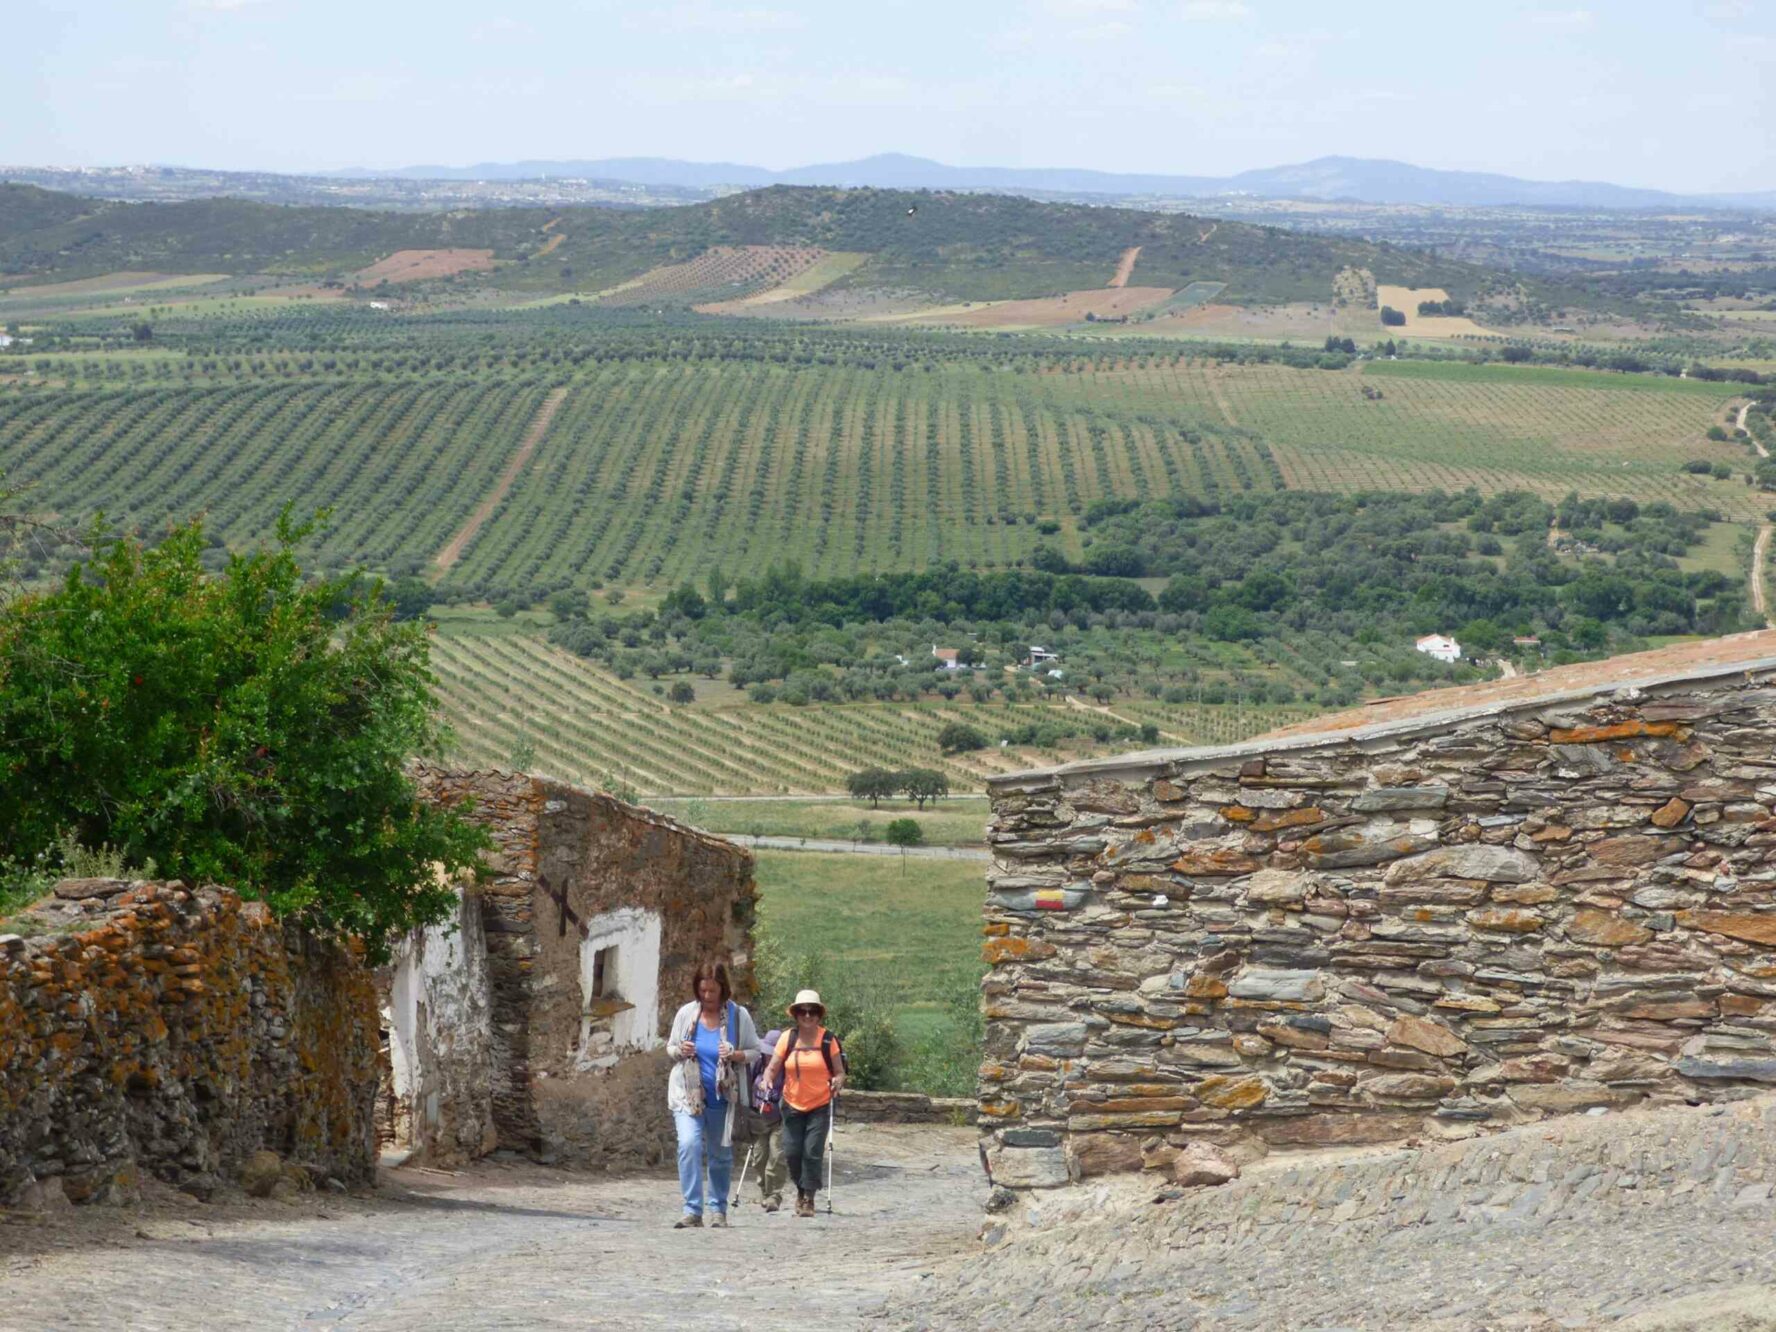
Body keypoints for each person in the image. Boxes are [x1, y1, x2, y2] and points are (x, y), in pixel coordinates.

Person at [666, 959, 759, 1229]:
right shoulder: (687, 1014)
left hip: (723, 1098)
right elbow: (670, 1048)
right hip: (688, 1095)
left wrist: (735, 1054)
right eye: (703, 990)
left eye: (713, 991)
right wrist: (680, 1050)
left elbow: (755, 1051)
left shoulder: (738, 1017)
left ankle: (718, 1209)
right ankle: (692, 1210)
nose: (707, 996)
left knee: (720, 1156)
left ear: (723, 989)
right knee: (688, 1145)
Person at [760, 989, 846, 1218]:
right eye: (803, 1012)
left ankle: (808, 1198)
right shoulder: (787, 1038)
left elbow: (839, 1071)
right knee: (792, 1152)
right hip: (791, 1104)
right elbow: (772, 1067)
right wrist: (766, 1080)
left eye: (812, 1012)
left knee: (812, 1151)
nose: (807, 1016)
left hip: (820, 1104)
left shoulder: (828, 1039)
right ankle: (800, 1190)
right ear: (796, 1014)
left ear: (819, 1014)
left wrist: (838, 1081)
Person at [745, 1028, 791, 1212]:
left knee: (777, 1156)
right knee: (759, 1157)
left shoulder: (787, 1069)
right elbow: (748, 1085)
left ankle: (774, 1196)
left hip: (780, 1119)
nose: (770, 1056)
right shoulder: (757, 1063)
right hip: (759, 1118)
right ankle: (765, 1192)